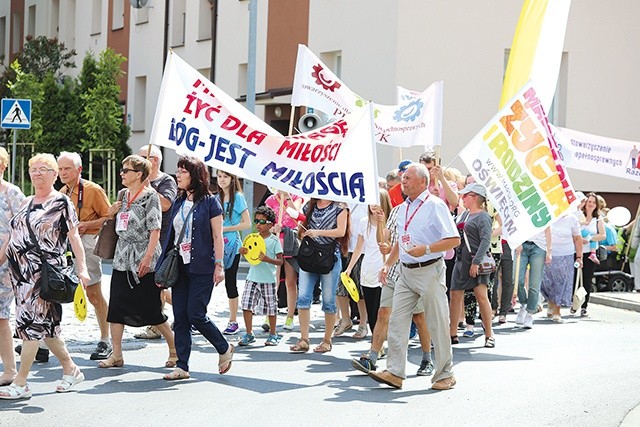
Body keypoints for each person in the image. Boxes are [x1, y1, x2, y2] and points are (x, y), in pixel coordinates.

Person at [0, 153, 91, 399]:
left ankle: (21, 383)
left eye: (44, 169)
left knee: (30, 325)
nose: (37, 173)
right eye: (33, 169)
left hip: (44, 274)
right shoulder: (26, 202)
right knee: (48, 329)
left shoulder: (61, 202)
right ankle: (71, 369)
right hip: (21, 276)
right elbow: (12, 235)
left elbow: (74, 237)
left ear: (53, 174)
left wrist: (82, 268)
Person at [368, 163, 460, 391]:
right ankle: (395, 372)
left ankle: (445, 374)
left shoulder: (436, 206)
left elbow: (454, 239)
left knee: (437, 323)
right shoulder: (403, 208)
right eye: (402, 178)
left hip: (429, 269)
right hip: (405, 272)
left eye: (408, 178)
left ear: (422, 181)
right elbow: (402, 240)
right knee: (397, 321)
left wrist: (427, 249)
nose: (403, 182)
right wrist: (388, 263)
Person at [159, 156, 232, 380]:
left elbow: (218, 236)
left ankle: (224, 347)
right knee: (180, 315)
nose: (178, 175)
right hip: (179, 266)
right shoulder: (179, 201)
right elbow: (170, 236)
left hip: (202, 266)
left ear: (195, 175)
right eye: (178, 171)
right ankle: (182, 365)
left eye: (182, 171)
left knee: (196, 314)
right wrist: (162, 265)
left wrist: (219, 265)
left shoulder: (211, 202)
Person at [99, 155, 176, 369]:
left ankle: (174, 349)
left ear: (139, 174)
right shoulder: (123, 195)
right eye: (122, 170)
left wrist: (149, 257)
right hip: (122, 257)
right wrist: (112, 212)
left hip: (143, 256)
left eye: (126, 170)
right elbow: (119, 223)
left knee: (151, 308)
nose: (122, 174)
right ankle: (116, 354)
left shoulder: (151, 196)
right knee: (116, 306)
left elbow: (155, 229)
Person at [351, 203, 434, 377]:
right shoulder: (397, 211)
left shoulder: (428, 208)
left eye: (407, 180)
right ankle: (372, 358)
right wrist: (381, 227)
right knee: (383, 312)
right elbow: (384, 240)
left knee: (419, 317)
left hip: (415, 270)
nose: (404, 183)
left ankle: (427, 358)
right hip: (394, 271)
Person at [57, 152, 113, 360]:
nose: (62, 173)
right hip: (68, 246)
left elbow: (109, 217)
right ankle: (45, 342)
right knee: (56, 291)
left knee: (94, 294)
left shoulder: (92, 190)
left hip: (88, 243)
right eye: (60, 169)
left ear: (79, 170)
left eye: (67, 169)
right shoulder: (62, 192)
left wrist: (86, 225)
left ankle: (106, 340)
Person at [289, 198, 349, 354]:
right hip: (310, 255)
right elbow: (300, 225)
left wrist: (318, 232)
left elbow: (341, 231)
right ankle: (304, 339)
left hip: (329, 256)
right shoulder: (310, 206)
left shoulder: (340, 207)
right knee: (302, 298)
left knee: (329, 301)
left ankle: (327, 340)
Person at [134, 145, 177, 340]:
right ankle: (178, 309)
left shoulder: (166, 181)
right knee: (151, 286)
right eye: (140, 157)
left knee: (158, 284)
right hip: (140, 240)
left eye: (145, 157)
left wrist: (147, 187)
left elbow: (167, 204)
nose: (140, 161)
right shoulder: (135, 181)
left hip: (162, 239)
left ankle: (156, 325)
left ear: (156, 160)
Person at [449, 183, 495, 348]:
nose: (463, 198)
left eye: (465, 195)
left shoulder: (483, 217)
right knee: (455, 296)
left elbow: (485, 241)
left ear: (475, 197)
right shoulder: (464, 215)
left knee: (481, 297)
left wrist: (475, 263)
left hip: (476, 261)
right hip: (461, 261)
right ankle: (452, 333)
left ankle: (489, 334)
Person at [344, 190, 392, 336]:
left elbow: (382, 241)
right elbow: (359, 247)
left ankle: (382, 340)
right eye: (372, 202)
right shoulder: (364, 222)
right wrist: (350, 268)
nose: (374, 206)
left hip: (384, 268)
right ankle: (375, 339)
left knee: (382, 308)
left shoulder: (390, 221)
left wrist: (380, 221)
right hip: (367, 268)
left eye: (377, 202)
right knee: (370, 308)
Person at [238, 206, 284, 347]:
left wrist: (267, 259)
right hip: (252, 277)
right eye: (256, 221)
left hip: (268, 280)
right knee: (246, 305)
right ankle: (249, 333)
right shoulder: (252, 238)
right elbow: (251, 255)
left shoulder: (274, 241)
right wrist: (243, 251)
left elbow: (280, 261)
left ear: (270, 224)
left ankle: (273, 334)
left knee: (271, 308)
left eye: (262, 222)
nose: (258, 224)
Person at [0, 148, 26, 386]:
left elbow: (20, 226)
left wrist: (3, 252)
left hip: (7, 263)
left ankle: (10, 370)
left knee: (1, 315)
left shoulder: (12, 192)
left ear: (3, 166)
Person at [215, 170, 251, 335]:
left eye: (225, 177)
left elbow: (247, 224)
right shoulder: (215, 197)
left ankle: (233, 320)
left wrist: (226, 229)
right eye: (220, 176)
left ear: (232, 178)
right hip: (215, 243)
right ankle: (199, 318)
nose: (222, 180)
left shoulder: (238, 197)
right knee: (207, 281)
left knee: (230, 282)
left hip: (233, 245)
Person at [264, 190, 303, 330]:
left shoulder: (296, 197)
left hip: (290, 242)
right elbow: (265, 221)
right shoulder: (270, 200)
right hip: (274, 242)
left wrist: (287, 198)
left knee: (290, 282)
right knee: (272, 280)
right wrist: (273, 228)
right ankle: (269, 315)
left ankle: (290, 317)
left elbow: (297, 215)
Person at [541, 214, 583, 322]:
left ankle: (557, 310)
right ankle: (551, 302)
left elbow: (578, 238)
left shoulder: (572, 219)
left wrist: (579, 257)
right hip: (547, 253)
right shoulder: (547, 216)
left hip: (566, 254)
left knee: (561, 282)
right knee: (547, 282)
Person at [575, 193, 605, 317]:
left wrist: (590, 238)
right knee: (574, 279)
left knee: (586, 280)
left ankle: (584, 306)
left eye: (594, 202)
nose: (591, 204)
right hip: (576, 252)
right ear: (585, 203)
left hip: (590, 253)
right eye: (589, 202)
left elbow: (603, 235)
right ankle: (574, 303)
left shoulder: (598, 219)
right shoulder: (578, 216)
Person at [515, 227, 552, 329]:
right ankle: (524, 303)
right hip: (521, 245)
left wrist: (549, 251)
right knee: (517, 280)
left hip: (539, 247)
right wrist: (516, 242)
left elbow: (548, 229)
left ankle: (530, 313)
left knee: (534, 284)